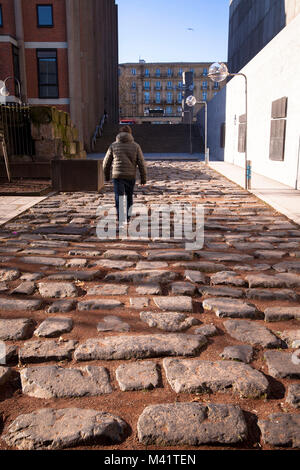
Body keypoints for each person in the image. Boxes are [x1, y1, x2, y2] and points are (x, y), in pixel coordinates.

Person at [103, 125, 147, 224]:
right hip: (130, 176)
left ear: (119, 133)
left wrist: (106, 176)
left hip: (117, 176)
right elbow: (141, 163)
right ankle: (127, 217)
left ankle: (121, 218)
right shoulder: (136, 146)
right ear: (130, 134)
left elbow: (106, 162)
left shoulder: (113, 145)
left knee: (119, 197)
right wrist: (143, 178)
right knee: (129, 197)